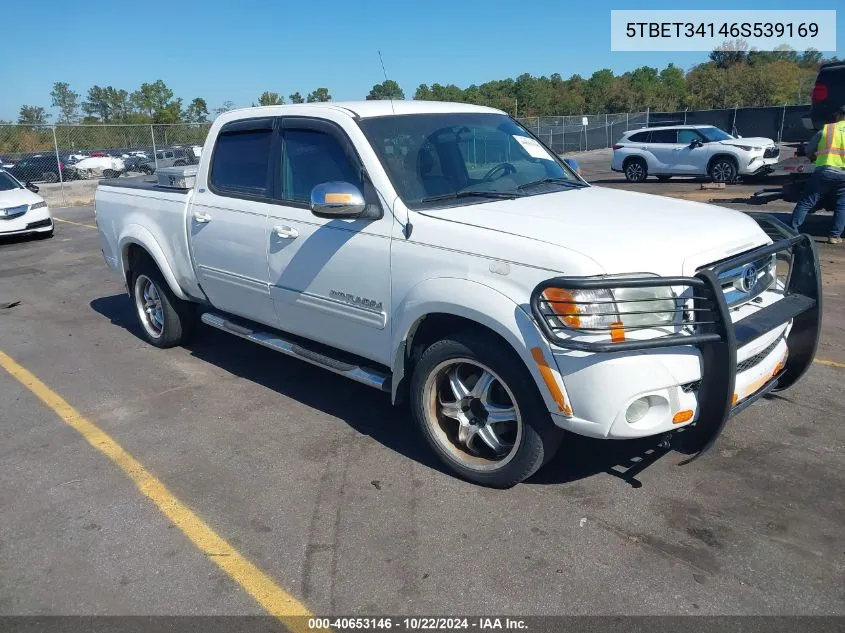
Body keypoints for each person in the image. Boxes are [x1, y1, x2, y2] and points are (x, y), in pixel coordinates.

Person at [791, 105, 845, 244]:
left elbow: (809, 150)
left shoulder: (828, 129)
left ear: (839, 115)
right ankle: (834, 236)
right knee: (842, 205)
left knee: (806, 202)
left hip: (824, 171)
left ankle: (792, 232)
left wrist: (813, 157)